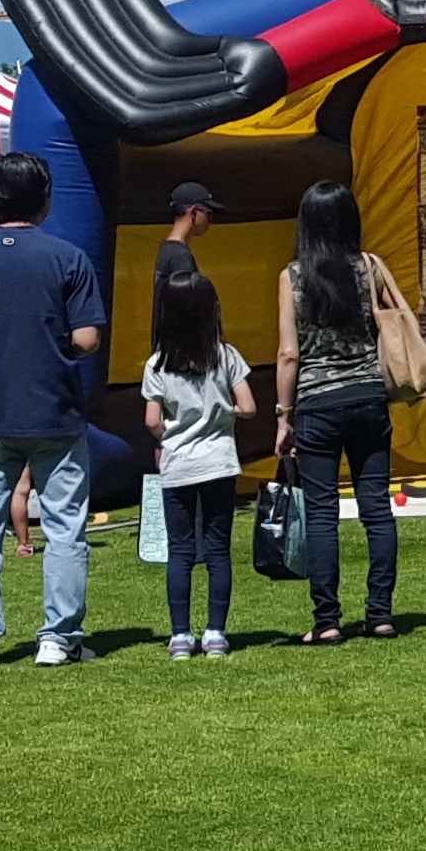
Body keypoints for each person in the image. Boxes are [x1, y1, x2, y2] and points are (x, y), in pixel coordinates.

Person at [0, 152, 106, 669]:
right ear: (45, 199)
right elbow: (86, 338)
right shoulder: (68, 257)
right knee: (64, 530)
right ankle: (58, 637)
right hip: (54, 409)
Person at [275, 180, 398, 645]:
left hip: (317, 403)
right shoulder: (370, 266)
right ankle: (381, 614)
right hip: (368, 396)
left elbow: (289, 354)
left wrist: (284, 416)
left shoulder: (292, 277)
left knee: (322, 514)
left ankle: (327, 621)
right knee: (376, 510)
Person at [143, 271, 254, 660]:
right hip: (220, 463)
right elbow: (249, 406)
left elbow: (151, 420)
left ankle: (179, 636)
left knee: (181, 551)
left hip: (178, 465)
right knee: (218, 550)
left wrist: (169, 436)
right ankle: (216, 633)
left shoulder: (157, 363)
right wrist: (224, 413)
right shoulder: (226, 356)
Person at [152, 181, 222, 335]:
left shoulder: (167, 249)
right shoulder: (181, 256)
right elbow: (187, 312)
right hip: (181, 351)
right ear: (194, 212)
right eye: (208, 213)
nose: (211, 221)